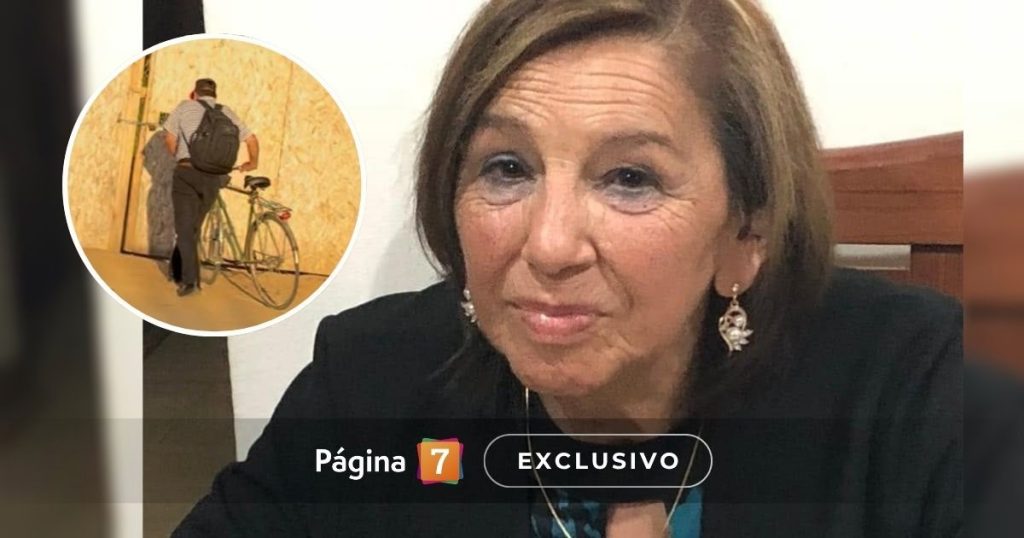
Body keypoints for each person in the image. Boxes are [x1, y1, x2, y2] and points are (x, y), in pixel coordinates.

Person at [174, 1, 964, 536]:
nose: (550, 245)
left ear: (745, 232)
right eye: (507, 167)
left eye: (631, 178)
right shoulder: (369, 378)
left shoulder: (915, 383)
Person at [163, 78, 259, 297]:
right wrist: (252, 163)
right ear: (214, 95)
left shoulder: (185, 106)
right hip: (214, 178)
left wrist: (180, 157)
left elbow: (169, 139)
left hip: (187, 174)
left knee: (185, 229)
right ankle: (177, 270)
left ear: (194, 93)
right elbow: (252, 139)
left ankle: (190, 283)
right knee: (193, 227)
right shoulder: (226, 112)